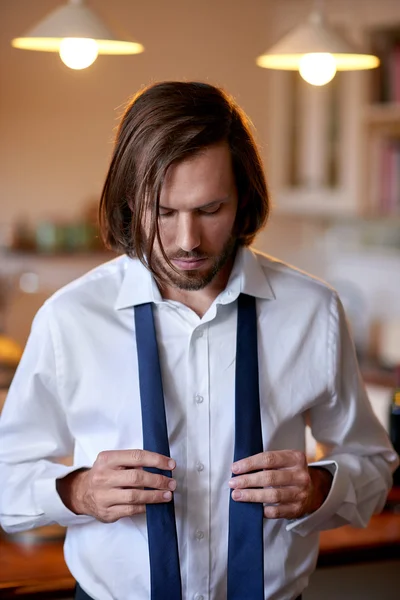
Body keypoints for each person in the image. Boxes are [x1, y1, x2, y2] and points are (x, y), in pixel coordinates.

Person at [0, 81, 397, 600]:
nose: (188, 240)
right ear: (128, 202)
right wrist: (78, 491)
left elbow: (373, 463)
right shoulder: (69, 319)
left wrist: (322, 487)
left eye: (210, 210)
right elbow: (7, 479)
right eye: (163, 212)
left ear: (243, 200)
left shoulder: (313, 312)